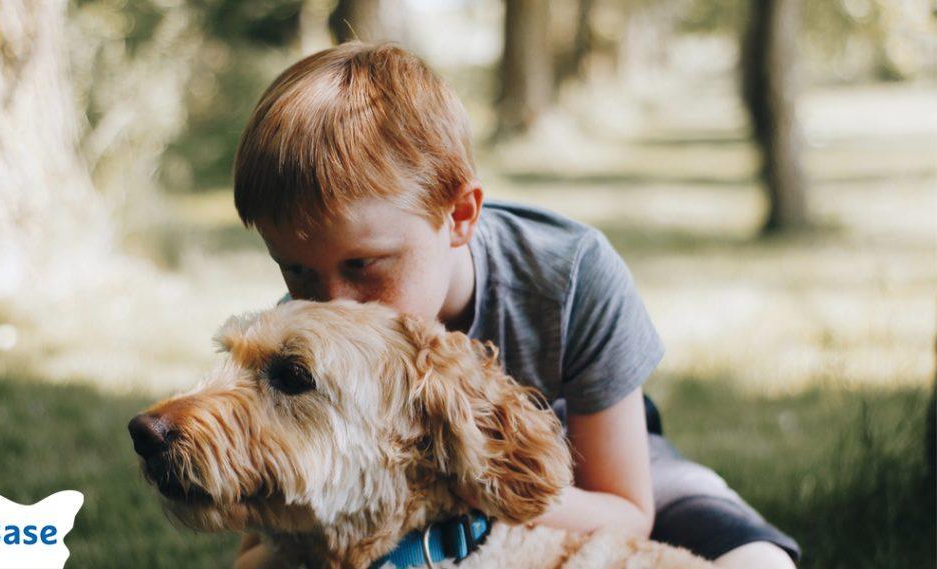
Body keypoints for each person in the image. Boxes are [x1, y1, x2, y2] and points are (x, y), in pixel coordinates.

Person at [229, 41, 801, 569]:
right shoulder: (309, 330)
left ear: (458, 216)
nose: (334, 304)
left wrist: (459, 494)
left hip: (593, 472)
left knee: (759, 562)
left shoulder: (570, 274)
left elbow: (628, 511)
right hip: (407, 501)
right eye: (297, 271)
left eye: (363, 266)